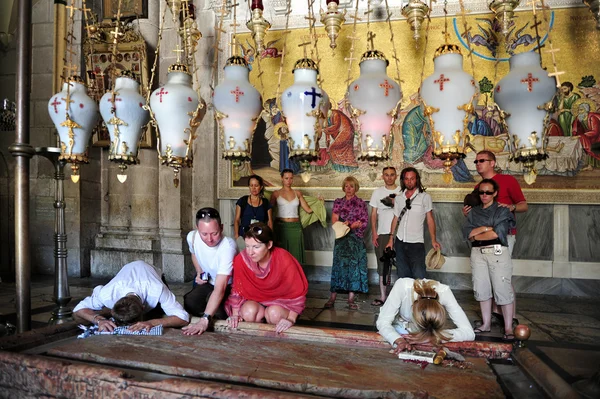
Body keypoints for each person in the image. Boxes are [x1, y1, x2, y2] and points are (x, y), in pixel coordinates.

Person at [463, 150, 527, 325]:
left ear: (492, 162)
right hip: (482, 239)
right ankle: (493, 314)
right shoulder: (478, 188)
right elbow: (476, 216)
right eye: (475, 161)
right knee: (485, 276)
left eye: (481, 160)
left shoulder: (508, 181)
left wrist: (510, 208)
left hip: (504, 235)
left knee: (502, 276)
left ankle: (510, 316)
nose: (477, 164)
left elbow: (523, 205)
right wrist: (467, 214)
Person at [225, 222, 308, 334]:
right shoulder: (242, 259)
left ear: (269, 245)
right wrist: (235, 315)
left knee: (274, 314)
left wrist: (291, 319)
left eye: (256, 247)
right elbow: (237, 290)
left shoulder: (283, 258)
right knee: (249, 312)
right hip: (253, 301)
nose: (250, 252)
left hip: (280, 303)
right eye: (247, 246)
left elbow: (297, 292)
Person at [463, 178, 516, 341]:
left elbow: (497, 234)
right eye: (481, 192)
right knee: (481, 288)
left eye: (488, 192)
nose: (484, 195)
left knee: (502, 288)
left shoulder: (502, 210)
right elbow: (468, 235)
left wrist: (479, 232)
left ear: (495, 193)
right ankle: (486, 324)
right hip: (477, 253)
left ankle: (508, 327)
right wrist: (487, 228)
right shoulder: (473, 212)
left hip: (497, 252)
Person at [73, 260, 189, 332]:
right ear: (114, 303)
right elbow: (77, 310)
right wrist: (99, 320)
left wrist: (151, 323)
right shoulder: (108, 293)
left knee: (157, 315)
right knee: (83, 319)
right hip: (125, 277)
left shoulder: (157, 289)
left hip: (152, 274)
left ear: (144, 307)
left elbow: (183, 318)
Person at [181, 207, 237, 336]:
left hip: (228, 285)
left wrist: (205, 319)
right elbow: (193, 253)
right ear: (197, 228)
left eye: (214, 233)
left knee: (217, 310)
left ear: (221, 228)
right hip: (210, 280)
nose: (209, 239)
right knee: (190, 301)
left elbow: (220, 288)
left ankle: (213, 315)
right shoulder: (192, 237)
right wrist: (199, 271)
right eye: (204, 234)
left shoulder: (228, 247)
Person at [377, 278, 475, 350]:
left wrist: (433, 336)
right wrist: (397, 339)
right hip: (401, 330)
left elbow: (469, 332)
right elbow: (383, 321)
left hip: (428, 336)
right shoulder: (402, 286)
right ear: (414, 306)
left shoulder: (444, 292)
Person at [386, 167, 441, 279]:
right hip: (400, 242)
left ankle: (417, 297)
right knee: (402, 275)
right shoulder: (399, 198)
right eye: (406, 179)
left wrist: (433, 239)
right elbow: (395, 219)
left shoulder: (425, 197)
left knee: (419, 275)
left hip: (416, 243)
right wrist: (390, 239)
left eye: (412, 178)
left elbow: (430, 219)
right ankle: (406, 296)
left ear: (417, 180)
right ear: (403, 180)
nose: (409, 181)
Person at [324, 176, 369, 310]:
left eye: (352, 186)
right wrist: (345, 225)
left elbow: (364, 221)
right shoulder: (338, 202)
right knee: (338, 266)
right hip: (341, 237)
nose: (349, 189)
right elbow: (334, 220)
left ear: (356, 188)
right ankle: (332, 297)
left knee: (353, 268)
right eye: (347, 186)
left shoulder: (361, 203)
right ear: (343, 187)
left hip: (355, 239)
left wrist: (355, 225)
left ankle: (351, 299)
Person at [369, 166, 401, 306]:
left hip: (400, 233)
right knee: (382, 265)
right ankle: (383, 296)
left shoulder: (402, 191)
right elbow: (374, 214)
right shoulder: (377, 192)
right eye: (386, 175)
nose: (389, 177)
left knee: (401, 264)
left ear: (396, 176)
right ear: (382, 176)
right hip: (382, 233)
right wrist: (374, 233)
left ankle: (402, 297)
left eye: (392, 175)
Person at [270, 169, 314, 264]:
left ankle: (296, 277)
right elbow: (269, 211)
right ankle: (282, 278)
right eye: (286, 178)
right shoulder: (275, 193)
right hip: (281, 227)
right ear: (282, 178)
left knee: (295, 256)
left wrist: (319, 203)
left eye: (291, 178)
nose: (289, 181)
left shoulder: (297, 193)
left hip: (295, 227)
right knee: (281, 255)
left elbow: (308, 210)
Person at [233, 175, 273, 249]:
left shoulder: (266, 203)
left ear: (261, 187)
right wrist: (236, 235)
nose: (253, 188)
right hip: (244, 237)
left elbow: (270, 222)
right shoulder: (242, 201)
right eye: (251, 185)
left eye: (256, 185)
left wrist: (269, 237)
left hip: (260, 238)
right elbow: (237, 220)